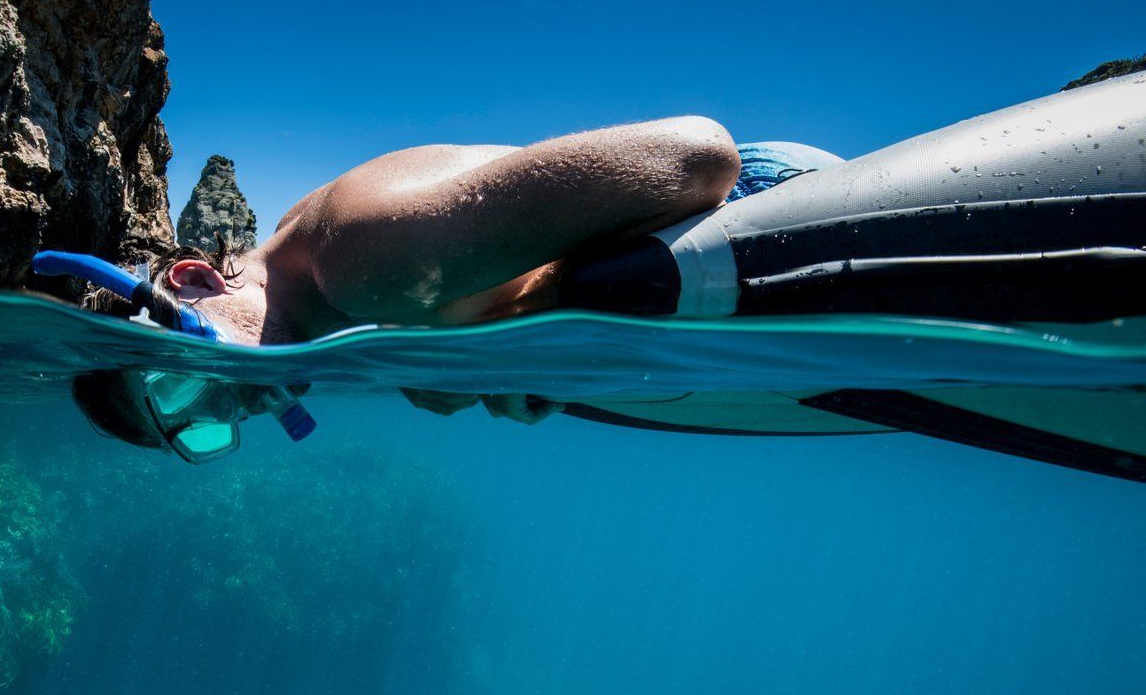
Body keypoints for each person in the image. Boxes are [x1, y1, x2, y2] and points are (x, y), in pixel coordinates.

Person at [69, 117, 842, 450]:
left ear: (197, 277)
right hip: (731, 279)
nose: (225, 405)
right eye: (201, 432)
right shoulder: (339, 285)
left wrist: (522, 338)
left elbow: (701, 158)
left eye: (175, 388)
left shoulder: (363, 265)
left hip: (779, 214)